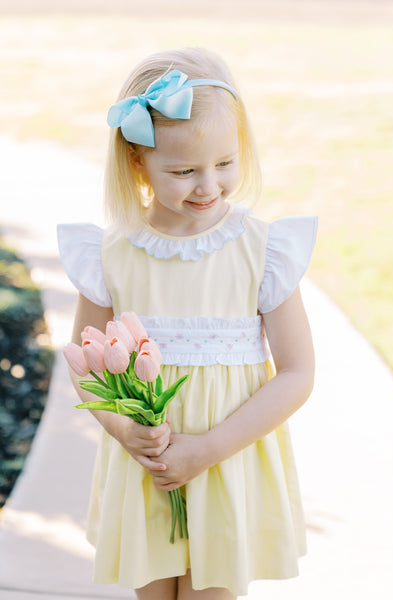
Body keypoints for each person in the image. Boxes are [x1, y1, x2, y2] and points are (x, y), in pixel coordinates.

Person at [58, 47, 317, 600]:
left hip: (228, 462)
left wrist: (209, 447)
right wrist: (126, 432)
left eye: (225, 163)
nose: (208, 186)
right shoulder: (110, 255)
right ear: (138, 163)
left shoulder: (262, 250)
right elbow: (85, 368)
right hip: (147, 466)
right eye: (183, 171)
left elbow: (297, 373)